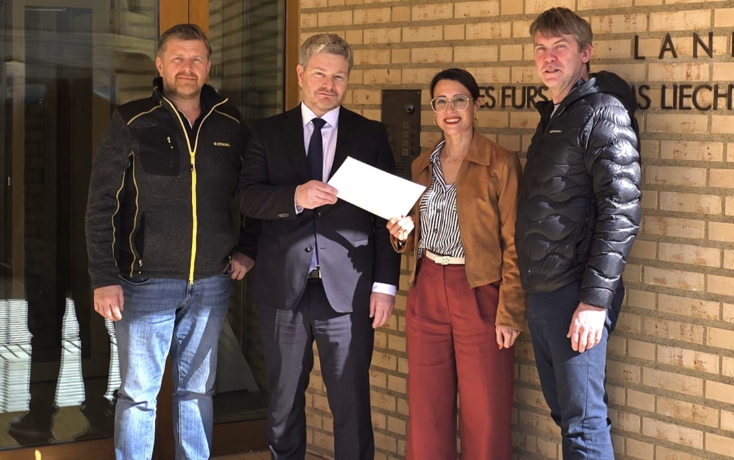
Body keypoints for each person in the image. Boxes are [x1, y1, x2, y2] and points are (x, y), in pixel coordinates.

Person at [85, 24, 254, 460]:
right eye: (177, 58)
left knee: (197, 391)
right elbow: (101, 203)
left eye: (196, 59)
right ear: (160, 65)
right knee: (139, 395)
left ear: (208, 66)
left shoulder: (231, 123)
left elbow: (253, 190)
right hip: (145, 283)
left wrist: (247, 246)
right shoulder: (132, 121)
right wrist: (104, 276)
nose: (187, 67)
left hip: (211, 282)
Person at [236, 33, 400, 460]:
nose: (329, 85)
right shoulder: (268, 132)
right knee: (283, 405)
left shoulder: (370, 135)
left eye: (339, 77)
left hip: (348, 293)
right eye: (320, 74)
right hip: (282, 290)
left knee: (351, 406)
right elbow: (247, 197)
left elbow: (387, 215)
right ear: (300, 74)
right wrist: (295, 196)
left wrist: (385, 286)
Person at [515, 7, 642, 459]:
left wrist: (593, 302)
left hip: (576, 294)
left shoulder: (601, 112)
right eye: (540, 49)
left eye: (560, 47)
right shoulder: (555, 116)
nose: (548, 58)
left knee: (583, 425)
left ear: (585, 53)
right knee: (567, 416)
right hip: (545, 292)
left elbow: (621, 209)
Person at [387, 68, 525, 460]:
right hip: (428, 286)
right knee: (427, 408)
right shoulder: (422, 165)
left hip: (479, 290)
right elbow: (412, 232)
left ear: (476, 106)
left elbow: (515, 244)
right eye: (441, 102)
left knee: (486, 409)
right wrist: (400, 233)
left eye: (459, 100)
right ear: (433, 111)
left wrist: (510, 312)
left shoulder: (500, 163)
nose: (450, 109)